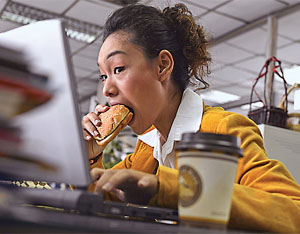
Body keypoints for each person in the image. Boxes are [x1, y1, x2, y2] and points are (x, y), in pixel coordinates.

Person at [81, 3, 300, 233]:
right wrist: (89, 156)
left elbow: (293, 212)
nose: (106, 89)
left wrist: (167, 189)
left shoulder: (224, 129)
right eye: (103, 75)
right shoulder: (147, 147)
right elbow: (97, 204)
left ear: (162, 66)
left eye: (118, 69)